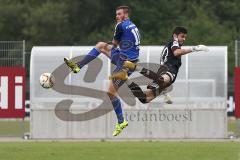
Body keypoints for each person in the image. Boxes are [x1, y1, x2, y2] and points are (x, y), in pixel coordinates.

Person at [64, 5, 140, 136]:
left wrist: (110, 46)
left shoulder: (120, 26)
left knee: (111, 92)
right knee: (101, 45)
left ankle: (121, 121)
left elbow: (114, 44)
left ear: (126, 15)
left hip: (125, 64)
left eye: (119, 14)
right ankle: (77, 67)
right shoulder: (132, 25)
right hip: (129, 60)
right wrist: (109, 47)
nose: (117, 16)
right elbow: (122, 43)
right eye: (116, 14)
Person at [111, 26, 209, 103]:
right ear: (175, 36)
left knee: (144, 98)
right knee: (160, 80)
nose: (184, 39)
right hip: (169, 70)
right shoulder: (174, 42)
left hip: (166, 72)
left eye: (185, 37)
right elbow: (176, 52)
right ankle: (134, 67)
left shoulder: (172, 44)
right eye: (182, 36)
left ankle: (125, 78)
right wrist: (194, 48)